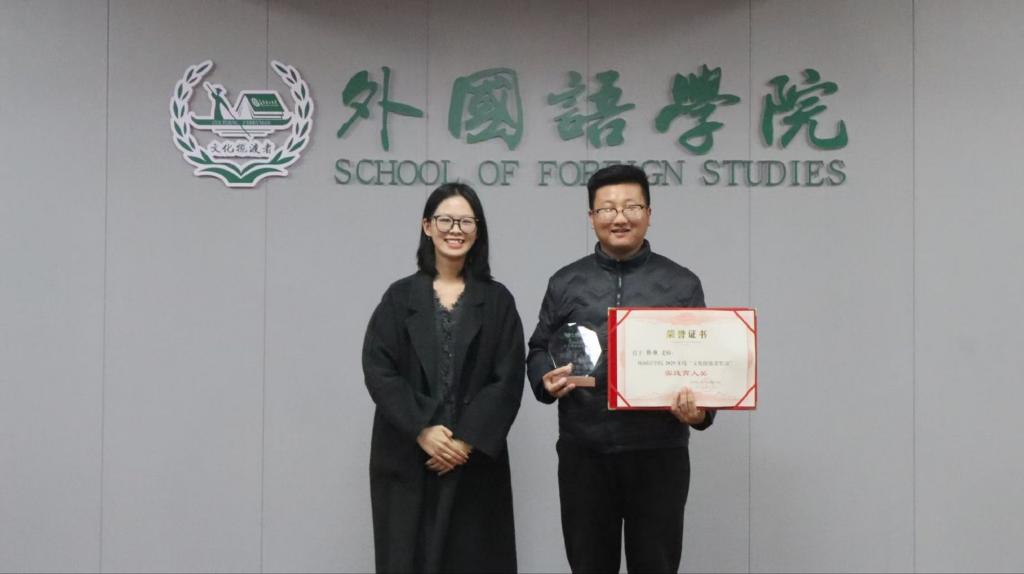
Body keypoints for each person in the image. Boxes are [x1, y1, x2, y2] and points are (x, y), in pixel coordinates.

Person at [527, 164, 715, 573]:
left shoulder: (681, 283)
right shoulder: (565, 282)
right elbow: (539, 347)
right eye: (608, 208)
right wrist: (544, 378)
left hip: (659, 454)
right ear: (591, 216)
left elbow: (703, 362)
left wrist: (701, 413)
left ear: (649, 213)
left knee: (656, 565)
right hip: (584, 455)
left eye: (631, 206)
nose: (620, 217)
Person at [363, 183, 525, 573]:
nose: (456, 230)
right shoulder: (399, 297)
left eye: (466, 221)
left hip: (473, 458)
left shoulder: (497, 301)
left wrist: (465, 440)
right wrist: (422, 429)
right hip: (408, 455)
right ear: (427, 226)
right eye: (446, 220)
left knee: (475, 559)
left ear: (478, 230)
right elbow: (379, 368)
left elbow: (508, 377)